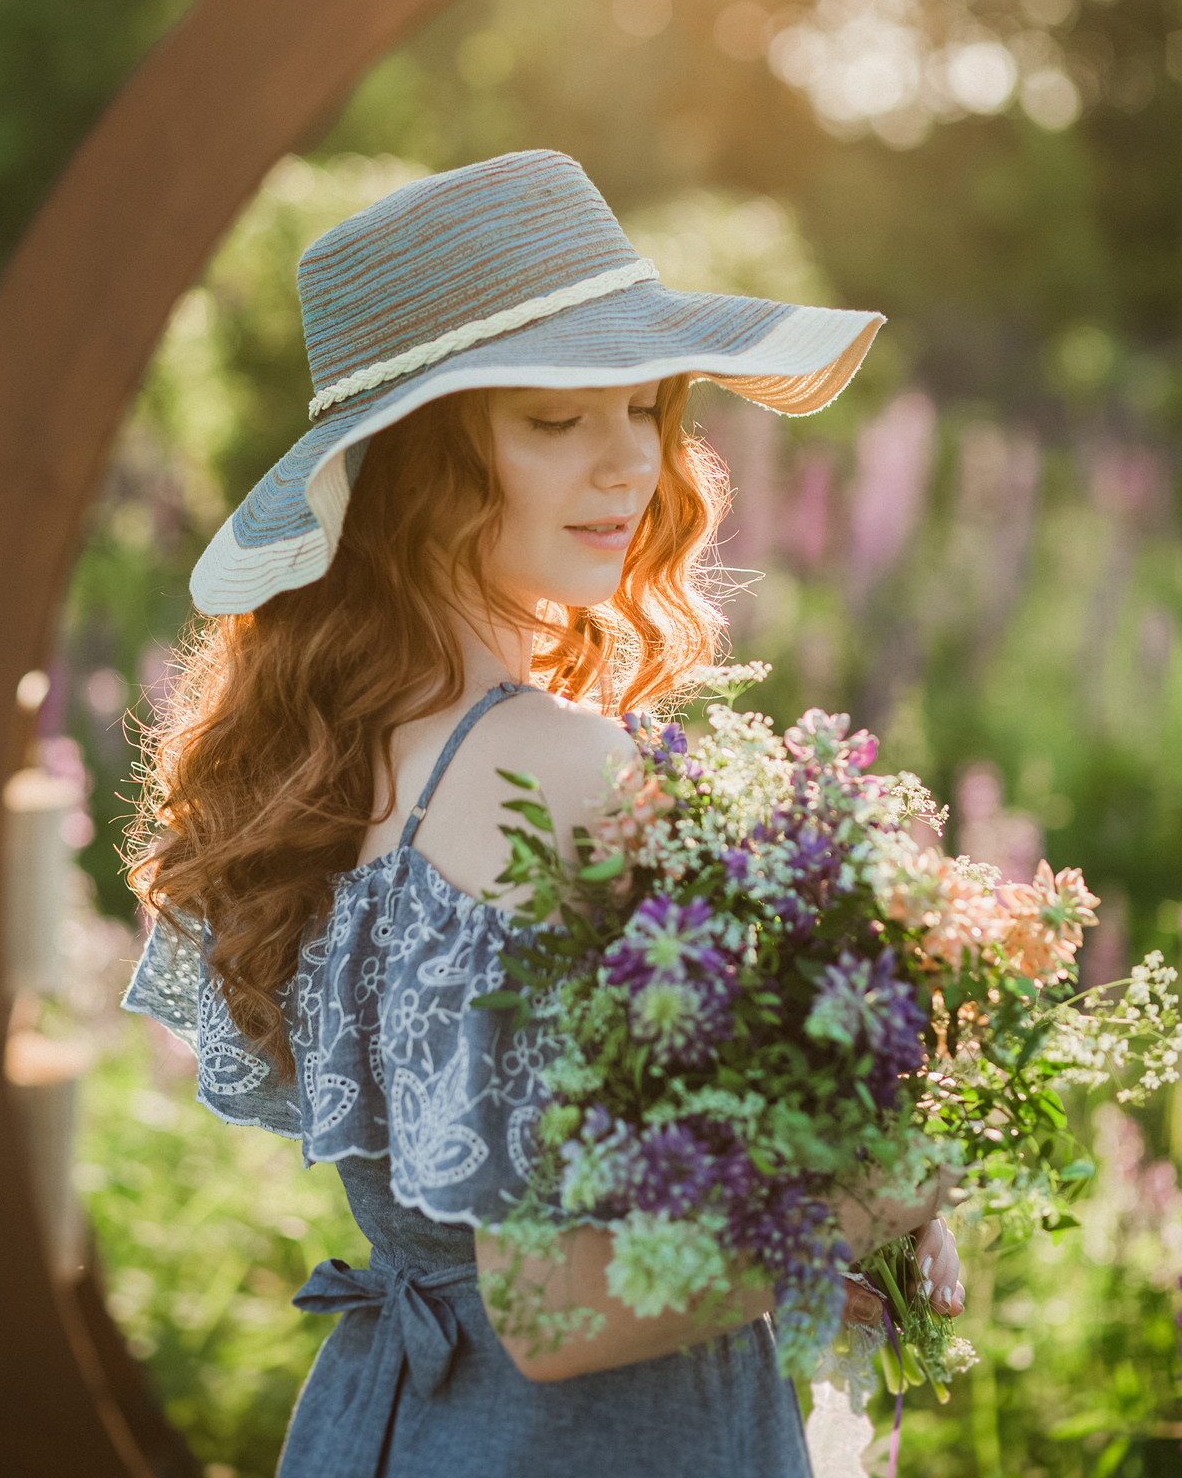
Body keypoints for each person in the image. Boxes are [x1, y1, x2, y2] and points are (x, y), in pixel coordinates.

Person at [124, 150, 964, 1477]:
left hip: (387, 1426)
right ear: (415, 473)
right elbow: (552, 1307)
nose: (627, 466)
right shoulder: (556, 768)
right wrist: (866, 1198)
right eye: (552, 424)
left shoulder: (336, 767)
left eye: (640, 409)